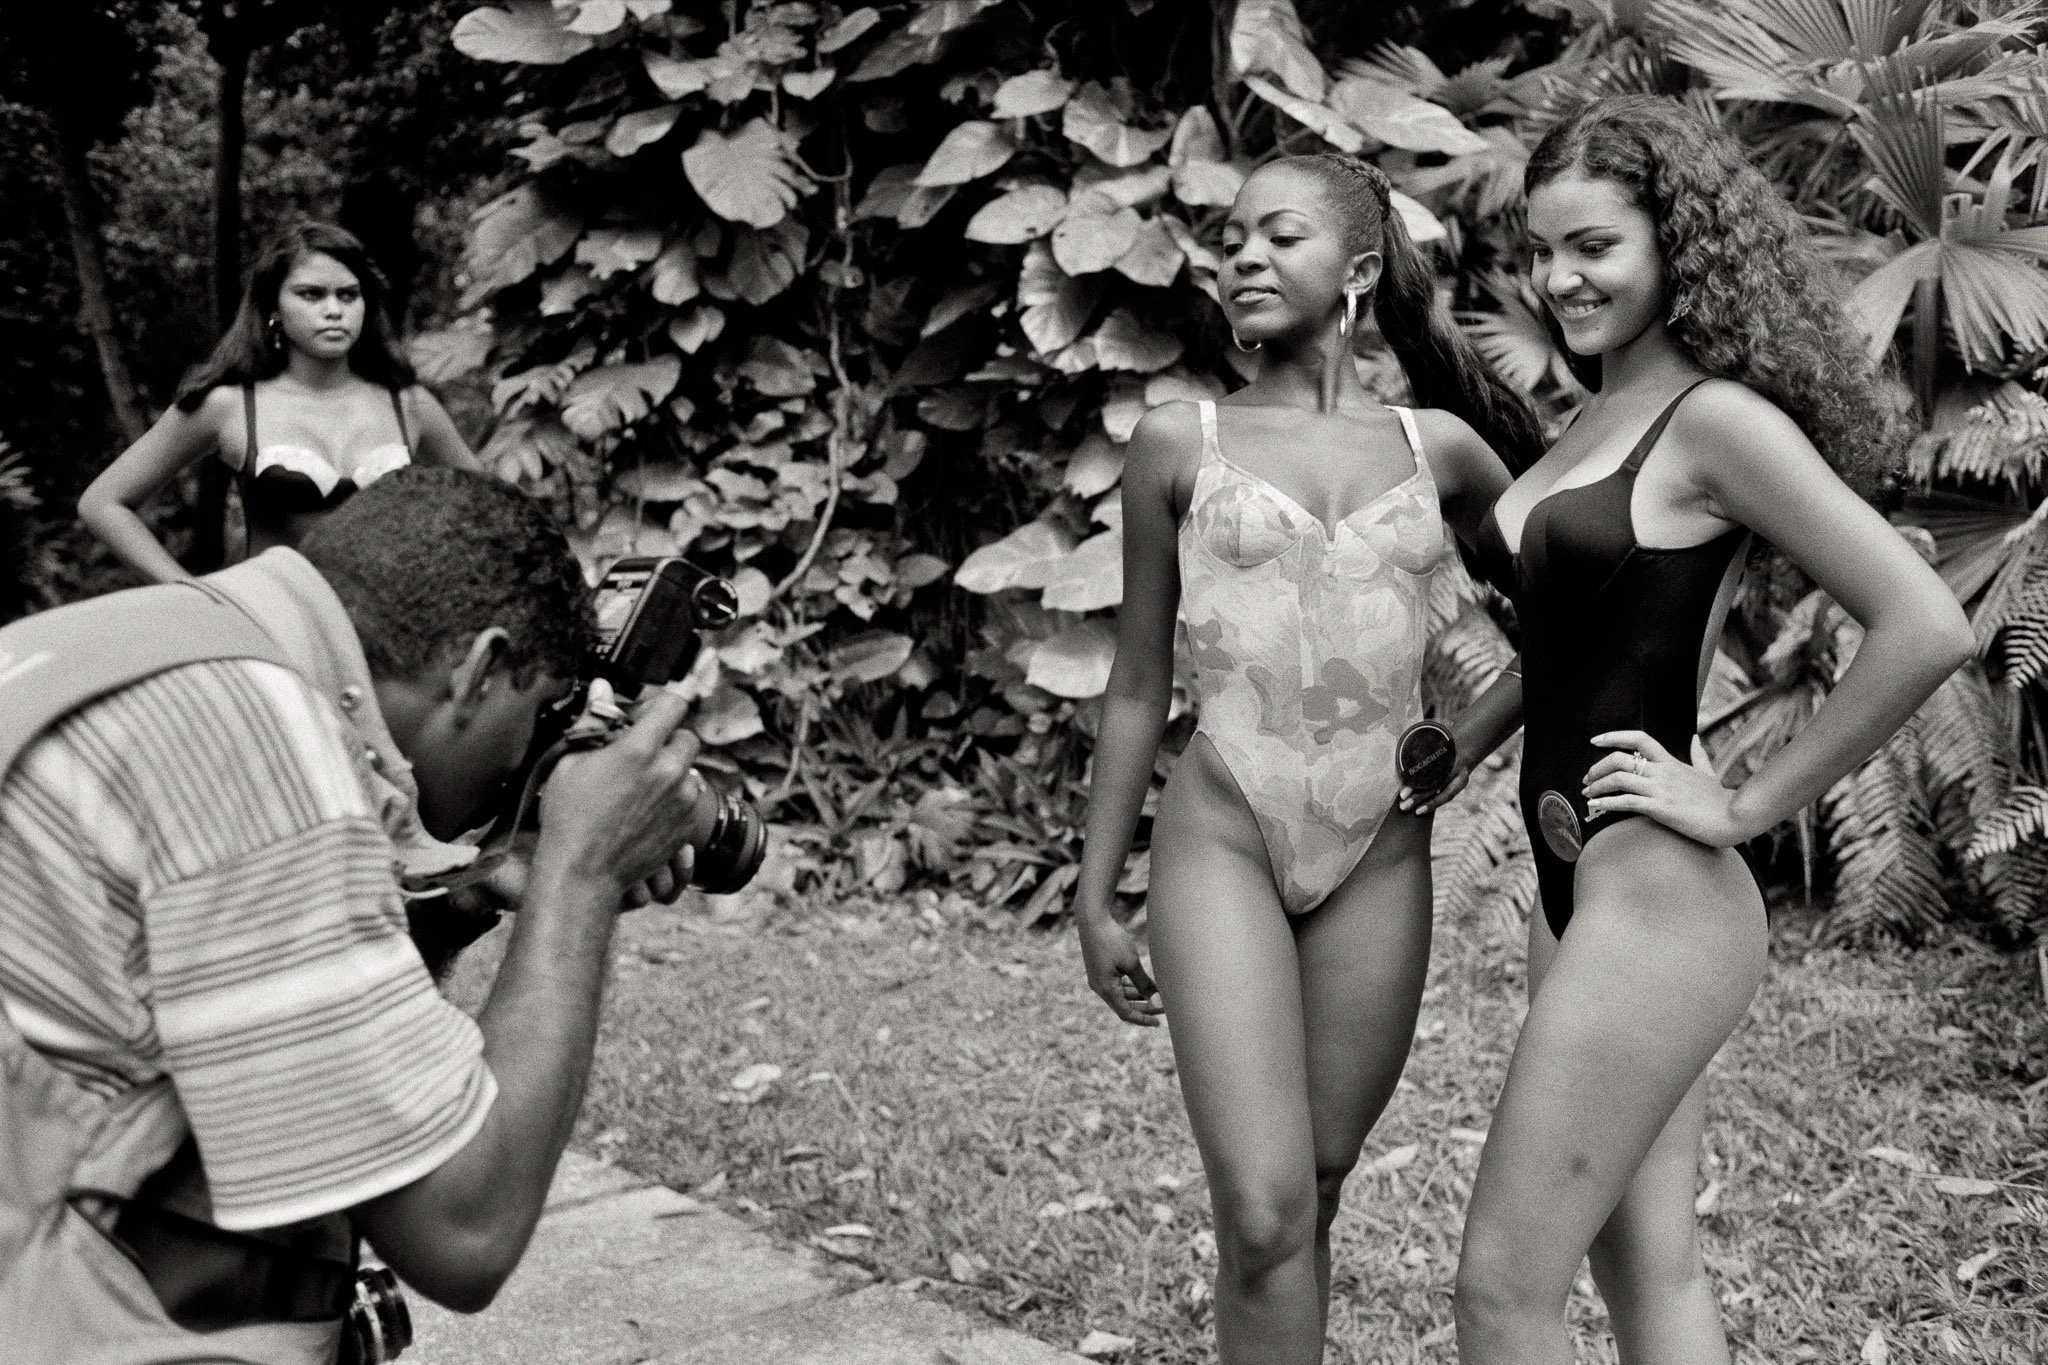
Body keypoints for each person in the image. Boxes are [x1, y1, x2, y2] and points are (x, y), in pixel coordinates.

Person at [1447, 95, 1974, 1364]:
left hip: (1660, 900)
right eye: (1541, 249)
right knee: (1648, 1264)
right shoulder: (1590, 420)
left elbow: (1923, 624)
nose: (1558, 277)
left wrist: (1741, 806)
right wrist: (1452, 748)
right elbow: (1573, 643)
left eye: (1593, 247)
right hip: (1570, 887)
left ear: (1671, 246)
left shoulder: (1716, 422)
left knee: (1500, 1289)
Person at [0, 467, 708, 1363]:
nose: (521, 765)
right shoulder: (255, 737)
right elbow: (463, 1231)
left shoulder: (135, 644)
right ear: (482, 667)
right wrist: (582, 872)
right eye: (532, 719)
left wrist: (449, 905)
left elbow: (269, 1040)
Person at [1068, 153, 1542, 1365]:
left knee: (1319, 1185)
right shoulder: (1180, 442)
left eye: (1276, 237)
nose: (1241, 257)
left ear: (1360, 271)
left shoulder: (1438, 449)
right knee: (1265, 1209)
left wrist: (1467, 742)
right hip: (1221, 837)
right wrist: (1092, 890)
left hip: (1379, 857)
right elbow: (1132, 687)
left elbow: (1573, 615)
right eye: (1230, 239)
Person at [80, 221, 480, 583]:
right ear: (274, 307)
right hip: (273, 627)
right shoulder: (230, 406)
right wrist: (189, 589)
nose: (334, 310)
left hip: (387, 638)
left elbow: (492, 512)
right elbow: (103, 502)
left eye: (348, 295)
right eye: (311, 294)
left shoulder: (409, 405)